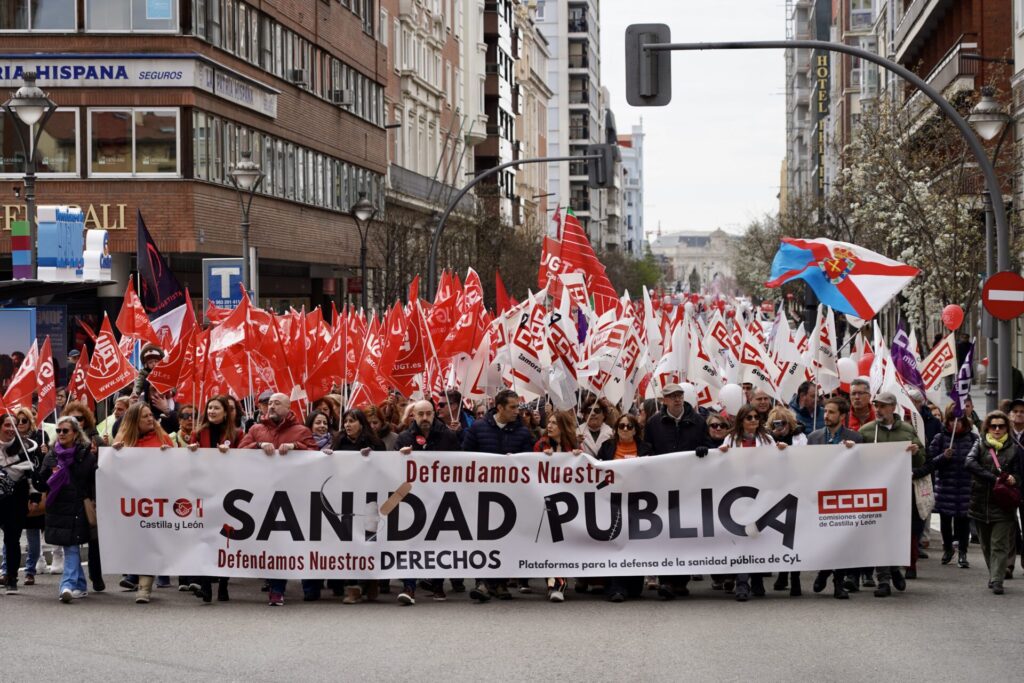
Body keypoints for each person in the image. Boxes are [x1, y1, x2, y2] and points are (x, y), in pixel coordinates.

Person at [237, 393, 317, 605]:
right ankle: (276, 589)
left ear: (288, 408)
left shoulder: (301, 431)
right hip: (267, 494)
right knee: (276, 543)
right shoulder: (255, 430)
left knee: (302, 540)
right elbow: (240, 452)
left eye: (276, 403)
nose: (271, 406)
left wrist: (296, 447)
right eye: (269, 403)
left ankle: (310, 587)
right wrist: (258, 446)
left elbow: (315, 454)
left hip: (296, 494)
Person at [463, 389, 534, 602]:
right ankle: (483, 583)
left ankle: (501, 583)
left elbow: (530, 460)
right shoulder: (478, 427)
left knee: (507, 537)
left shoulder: (522, 432)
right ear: (500, 407)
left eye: (518, 407)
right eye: (512, 407)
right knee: (483, 539)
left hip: (511, 496)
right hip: (483, 494)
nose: (517, 411)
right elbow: (464, 456)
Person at [394, 400, 463, 605]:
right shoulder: (404, 438)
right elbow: (390, 466)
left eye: (428, 414)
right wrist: (400, 457)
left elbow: (460, 463)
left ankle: (438, 584)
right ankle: (409, 586)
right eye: (420, 414)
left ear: (434, 414)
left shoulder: (448, 436)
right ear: (413, 416)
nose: (425, 418)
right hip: (413, 498)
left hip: (440, 496)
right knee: (410, 541)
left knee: (439, 540)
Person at [644, 382, 709, 600]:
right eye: (672, 396)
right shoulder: (654, 423)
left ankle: (680, 581)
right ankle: (666, 581)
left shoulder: (698, 421)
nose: (677, 399)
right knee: (665, 532)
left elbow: (709, 445)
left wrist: (704, 450)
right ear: (665, 401)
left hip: (690, 485)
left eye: (680, 395)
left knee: (685, 532)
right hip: (663, 486)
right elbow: (648, 449)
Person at [859, 391, 923, 596]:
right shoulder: (867, 431)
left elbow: (923, 458)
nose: (878, 409)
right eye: (876, 405)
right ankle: (884, 580)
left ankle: (895, 568)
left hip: (899, 494)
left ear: (893, 408)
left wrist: (916, 452)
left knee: (896, 534)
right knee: (878, 535)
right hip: (874, 493)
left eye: (882, 406)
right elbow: (855, 460)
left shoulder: (907, 430)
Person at [111, 402, 173, 603]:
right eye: (145, 416)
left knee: (149, 541)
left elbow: (177, 464)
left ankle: (144, 588)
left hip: (156, 501)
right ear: (134, 420)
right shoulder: (123, 441)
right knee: (137, 542)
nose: (150, 418)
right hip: (132, 503)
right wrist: (114, 454)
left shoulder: (162, 437)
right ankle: (135, 576)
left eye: (150, 415)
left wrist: (169, 455)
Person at [717, 404, 780, 601]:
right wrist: (721, 453)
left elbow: (776, 462)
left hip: (761, 493)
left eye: (756, 417)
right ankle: (742, 583)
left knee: (757, 537)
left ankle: (758, 580)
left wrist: (782, 450)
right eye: (749, 417)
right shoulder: (731, 439)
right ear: (741, 420)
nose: (753, 420)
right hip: (738, 495)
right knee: (743, 539)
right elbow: (722, 464)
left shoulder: (767, 439)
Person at [34, 416, 96, 603]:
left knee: (71, 545)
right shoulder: (51, 455)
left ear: (75, 434)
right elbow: (43, 482)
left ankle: (66, 585)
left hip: (77, 505)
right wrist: (38, 475)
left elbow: (88, 478)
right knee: (70, 545)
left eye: (65, 430)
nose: (61, 434)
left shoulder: (85, 455)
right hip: (58, 507)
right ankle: (81, 585)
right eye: (59, 431)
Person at [807, 397, 863, 599]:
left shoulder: (855, 438)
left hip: (843, 496)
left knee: (841, 540)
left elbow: (861, 468)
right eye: (825, 412)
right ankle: (824, 571)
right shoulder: (814, 437)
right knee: (824, 540)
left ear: (842, 416)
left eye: (831, 412)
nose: (826, 416)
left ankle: (838, 583)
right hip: (820, 496)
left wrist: (852, 453)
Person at [965, 411, 1022, 595]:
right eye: (993, 426)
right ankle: (994, 573)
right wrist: (992, 478)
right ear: (987, 427)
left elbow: (1021, 474)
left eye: (1001, 426)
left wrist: (1015, 479)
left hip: (1003, 504)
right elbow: (969, 463)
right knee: (986, 544)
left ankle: (997, 579)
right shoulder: (980, 444)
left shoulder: (1015, 448)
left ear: (1007, 427)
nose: (997, 429)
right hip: (980, 502)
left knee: (999, 544)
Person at [922, 405, 978, 570]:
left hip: (966, 487)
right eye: (952, 419)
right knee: (945, 522)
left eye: (959, 420)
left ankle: (962, 552)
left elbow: (978, 460)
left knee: (963, 522)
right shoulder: (940, 438)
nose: (956, 424)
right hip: (946, 487)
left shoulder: (973, 438)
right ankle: (947, 548)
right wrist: (943, 457)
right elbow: (930, 462)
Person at [59, 402, 103, 591]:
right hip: (68, 500)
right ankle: (75, 582)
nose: (77, 421)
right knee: (72, 541)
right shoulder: (58, 444)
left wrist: (100, 452)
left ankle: (95, 575)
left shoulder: (97, 440)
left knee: (94, 538)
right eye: (72, 418)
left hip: (91, 496)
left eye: (80, 418)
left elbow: (103, 468)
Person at [0, 413, 38, 595]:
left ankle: (12, 578)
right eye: (7, 425)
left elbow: (32, 474)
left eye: (13, 425)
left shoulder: (24, 447)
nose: (10, 429)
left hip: (15, 498)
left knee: (12, 539)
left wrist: (34, 498)